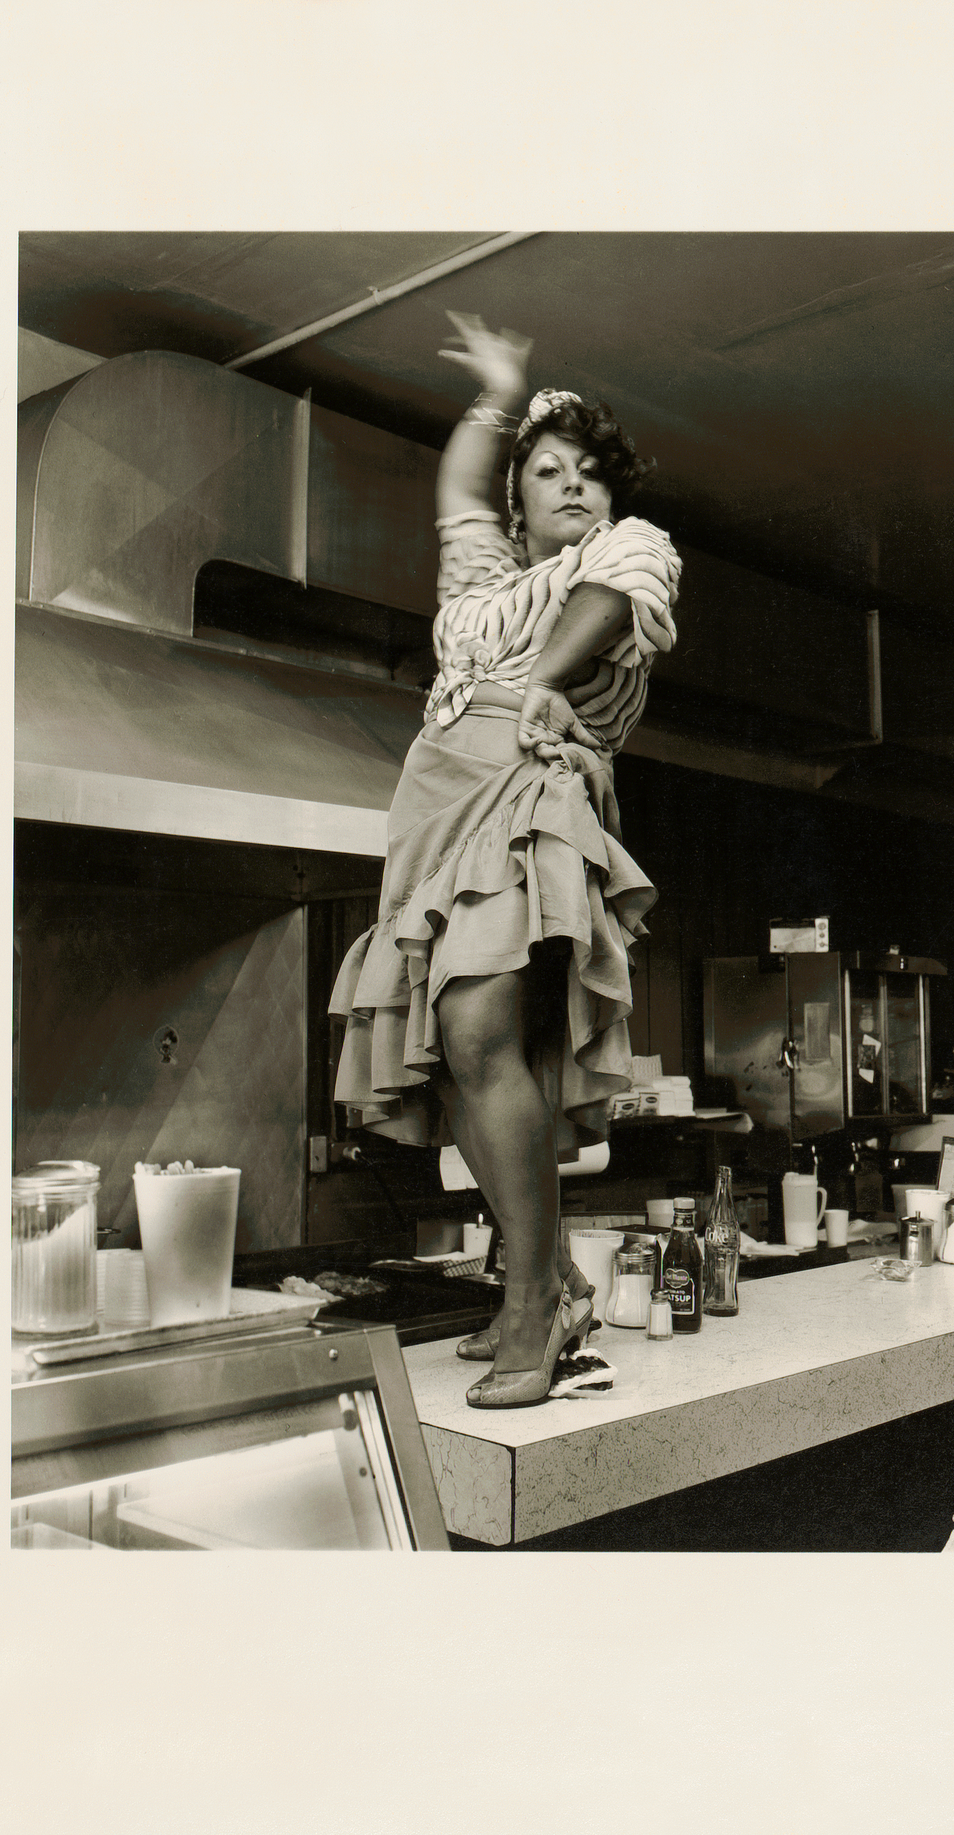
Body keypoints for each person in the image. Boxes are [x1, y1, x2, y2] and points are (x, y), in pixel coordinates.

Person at [329, 313, 681, 1407]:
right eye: (546, 470)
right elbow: (455, 494)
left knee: (478, 1030)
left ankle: (530, 1303)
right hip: (430, 811)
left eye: (587, 472)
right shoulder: (481, 577)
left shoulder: (628, 548)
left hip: (529, 786)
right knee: (474, 1050)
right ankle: (550, 1279)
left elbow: (604, 604)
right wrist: (495, 395)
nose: (570, 485)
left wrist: (544, 682)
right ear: (518, 496)